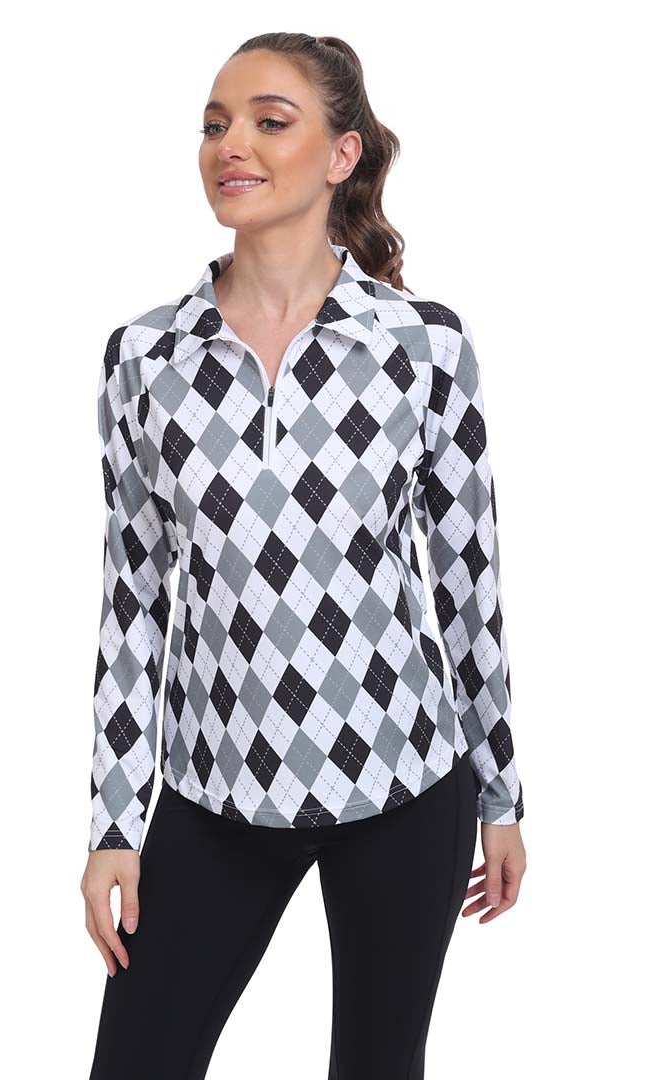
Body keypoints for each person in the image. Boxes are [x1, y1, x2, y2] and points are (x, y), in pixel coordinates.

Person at [82, 32, 527, 1079]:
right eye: (214, 124)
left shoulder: (422, 347)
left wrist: (501, 794)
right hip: (216, 791)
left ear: (341, 154)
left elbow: (468, 583)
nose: (229, 145)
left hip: (403, 781)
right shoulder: (147, 358)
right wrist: (113, 820)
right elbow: (133, 599)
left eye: (268, 121)